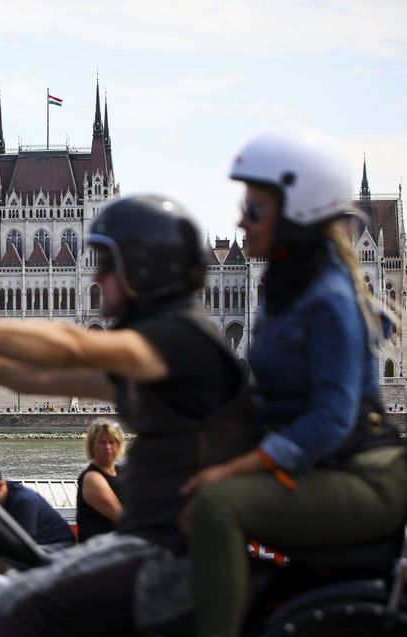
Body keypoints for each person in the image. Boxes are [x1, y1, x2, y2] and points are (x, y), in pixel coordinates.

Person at [0, 194, 256, 636]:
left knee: (16, 607)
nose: (97, 276)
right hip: (151, 543)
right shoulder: (159, 350)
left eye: (108, 264)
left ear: (145, 270)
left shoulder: (179, 340)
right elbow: (46, 379)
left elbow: (72, 346)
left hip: (169, 558)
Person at [182, 132, 407, 637]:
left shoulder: (328, 298)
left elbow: (330, 418)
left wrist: (238, 466)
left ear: (296, 215)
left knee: (219, 505)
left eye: (254, 210)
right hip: (323, 466)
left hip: (361, 476)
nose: (240, 222)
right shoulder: (288, 289)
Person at [0, 462, 76, 552]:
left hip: (59, 546)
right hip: (34, 543)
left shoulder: (23, 501)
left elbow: (24, 546)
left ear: (1, 486)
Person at [76, 418, 124, 542]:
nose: (107, 447)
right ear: (92, 446)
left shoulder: (123, 471)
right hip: (101, 550)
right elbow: (121, 517)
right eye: (102, 442)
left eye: (112, 442)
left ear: (119, 445)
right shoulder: (92, 478)